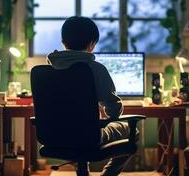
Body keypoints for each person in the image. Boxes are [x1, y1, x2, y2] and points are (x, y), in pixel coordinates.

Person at [47, 16, 134, 176]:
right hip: (90, 137)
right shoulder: (95, 69)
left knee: (83, 130)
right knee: (131, 130)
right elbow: (113, 108)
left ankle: (83, 171)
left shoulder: (47, 71)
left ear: (63, 42)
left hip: (55, 137)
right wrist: (108, 119)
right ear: (92, 43)